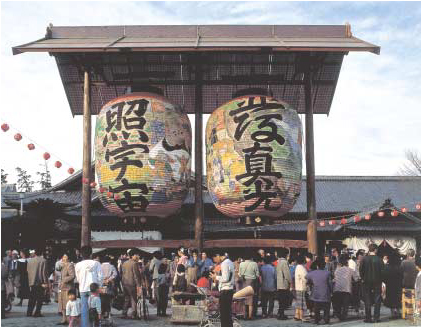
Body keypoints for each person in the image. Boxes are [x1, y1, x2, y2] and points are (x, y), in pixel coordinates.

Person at [75, 246, 103, 327]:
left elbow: (78, 278)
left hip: (83, 288)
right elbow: (100, 276)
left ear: (81, 254)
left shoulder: (78, 265)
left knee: (84, 309)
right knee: (96, 309)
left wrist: (82, 283)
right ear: (91, 254)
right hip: (94, 288)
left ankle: (85, 325)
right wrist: (99, 286)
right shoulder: (96, 263)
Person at [359, 243, 384, 323]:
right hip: (377, 282)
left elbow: (360, 270)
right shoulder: (379, 259)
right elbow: (382, 272)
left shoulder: (364, 259)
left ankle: (368, 318)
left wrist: (363, 278)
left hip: (366, 282)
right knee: (377, 299)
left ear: (369, 250)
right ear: (375, 250)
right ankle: (376, 317)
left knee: (367, 299)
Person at [332, 254, 359, 321]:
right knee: (345, 305)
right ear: (347, 263)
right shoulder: (350, 270)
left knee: (338, 304)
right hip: (347, 289)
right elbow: (356, 279)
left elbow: (334, 279)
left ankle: (339, 315)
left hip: (337, 289)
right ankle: (343, 317)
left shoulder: (337, 270)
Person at [210, 253, 234, 327]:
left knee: (224, 314)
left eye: (214, 259)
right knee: (227, 314)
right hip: (229, 289)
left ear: (218, 256)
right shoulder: (230, 262)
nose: (215, 261)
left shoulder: (224, 263)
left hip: (225, 290)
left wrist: (215, 277)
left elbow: (225, 278)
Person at [306, 259, 332, 325]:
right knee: (326, 308)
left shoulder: (312, 273)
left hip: (316, 294)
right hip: (325, 294)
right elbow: (330, 284)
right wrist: (331, 291)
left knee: (316, 308)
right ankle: (326, 320)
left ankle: (316, 320)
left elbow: (306, 277)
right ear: (324, 266)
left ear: (317, 266)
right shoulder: (328, 273)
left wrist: (311, 282)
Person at [26, 248, 49, 317]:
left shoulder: (30, 261)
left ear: (35, 253)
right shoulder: (43, 260)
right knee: (40, 298)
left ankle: (29, 312)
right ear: (41, 253)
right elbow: (44, 272)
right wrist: (45, 282)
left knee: (32, 298)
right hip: (40, 282)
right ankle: (37, 312)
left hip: (32, 281)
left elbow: (27, 271)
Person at [121, 248, 143, 319]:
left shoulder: (124, 263)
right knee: (134, 299)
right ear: (132, 256)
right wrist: (139, 285)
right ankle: (134, 314)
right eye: (136, 255)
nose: (137, 256)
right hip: (132, 284)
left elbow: (122, 274)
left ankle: (124, 313)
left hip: (125, 283)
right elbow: (136, 276)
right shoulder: (134, 264)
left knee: (127, 299)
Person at [239, 254, 259, 319]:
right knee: (250, 299)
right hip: (252, 282)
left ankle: (244, 314)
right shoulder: (254, 264)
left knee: (244, 298)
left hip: (244, 282)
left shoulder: (241, 264)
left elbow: (240, 274)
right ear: (251, 257)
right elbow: (257, 275)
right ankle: (250, 316)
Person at [383, 251, 402, 319]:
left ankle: (392, 313)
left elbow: (384, 277)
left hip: (390, 285)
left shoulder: (387, 267)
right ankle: (398, 311)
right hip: (398, 285)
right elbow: (402, 276)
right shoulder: (400, 266)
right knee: (397, 298)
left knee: (390, 299)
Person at [57, 253, 75, 325]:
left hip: (67, 287)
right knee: (62, 303)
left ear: (68, 258)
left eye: (65, 257)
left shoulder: (70, 265)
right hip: (62, 287)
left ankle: (69, 319)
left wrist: (64, 280)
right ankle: (64, 319)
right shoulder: (62, 265)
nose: (64, 258)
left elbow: (72, 276)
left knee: (68, 304)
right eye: (63, 256)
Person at [276, 247, 292, 320]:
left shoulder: (278, 262)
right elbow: (287, 274)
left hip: (279, 284)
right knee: (283, 300)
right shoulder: (285, 262)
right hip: (284, 284)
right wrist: (290, 282)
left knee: (281, 300)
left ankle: (280, 313)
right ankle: (281, 314)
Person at [294, 255, 308, 322]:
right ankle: (302, 316)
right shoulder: (302, 267)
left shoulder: (297, 267)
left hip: (297, 286)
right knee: (302, 302)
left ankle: (297, 315)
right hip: (302, 286)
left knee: (298, 301)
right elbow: (305, 277)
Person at [414, 256, 421, 321]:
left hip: (419, 296)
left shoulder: (419, 275)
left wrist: (418, 299)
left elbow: (418, 288)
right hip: (419, 295)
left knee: (417, 311)